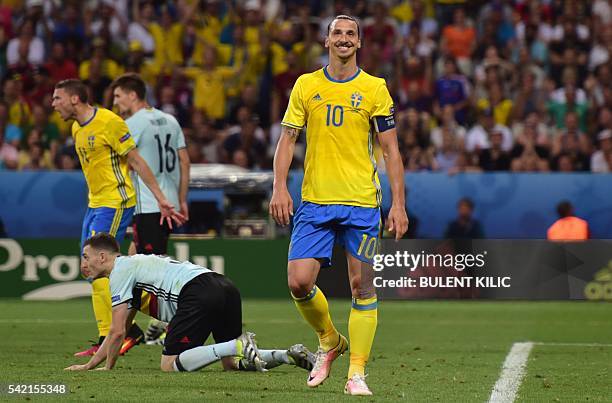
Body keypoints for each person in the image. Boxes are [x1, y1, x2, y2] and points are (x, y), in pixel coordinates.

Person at [269, 15, 408, 396]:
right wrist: (279, 187)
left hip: (362, 203)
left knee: (362, 286)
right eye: (338, 33)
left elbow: (391, 150)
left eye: (351, 34)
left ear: (359, 43)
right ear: (326, 40)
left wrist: (398, 204)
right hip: (314, 202)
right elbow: (287, 140)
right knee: (299, 283)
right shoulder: (306, 85)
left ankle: (357, 373)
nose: (344, 39)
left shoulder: (375, 88)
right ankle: (329, 340)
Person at [51, 79, 185, 357]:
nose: (53, 104)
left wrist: (162, 199)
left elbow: (136, 161)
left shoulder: (111, 123)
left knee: (99, 267)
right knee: (95, 268)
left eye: (57, 98)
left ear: (75, 99)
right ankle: (121, 331)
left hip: (116, 203)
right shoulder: (77, 128)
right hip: (95, 204)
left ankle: (114, 335)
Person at [64, 233, 316, 373]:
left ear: (102, 256)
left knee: (169, 364)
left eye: (86, 257)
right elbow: (122, 328)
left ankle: (236, 344)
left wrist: (97, 367)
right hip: (224, 285)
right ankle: (287, 355)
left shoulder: (119, 271)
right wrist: (99, 365)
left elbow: (117, 330)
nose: (83, 264)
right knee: (232, 364)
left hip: (197, 291)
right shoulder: (133, 266)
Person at [112, 73, 190, 256]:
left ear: (132, 95)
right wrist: (182, 199)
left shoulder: (131, 124)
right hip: (171, 203)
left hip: (149, 204)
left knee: (151, 265)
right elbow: (185, 162)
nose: (115, 102)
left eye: (118, 96)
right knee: (136, 254)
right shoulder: (171, 120)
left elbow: (126, 161)